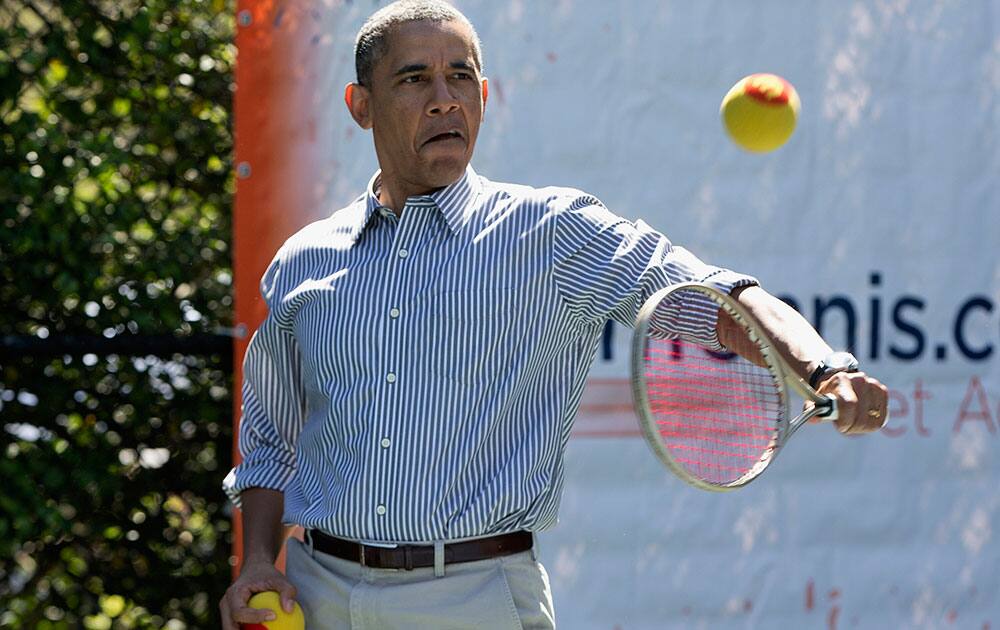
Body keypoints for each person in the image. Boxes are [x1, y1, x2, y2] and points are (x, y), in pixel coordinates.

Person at [219, 1, 889, 628]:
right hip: (319, 593)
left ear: (484, 98)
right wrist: (255, 561)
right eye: (414, 79)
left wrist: (825, 368)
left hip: (478, 598)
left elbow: (716, 298)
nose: (444, 98)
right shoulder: (304, 259)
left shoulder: (553, 233)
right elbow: (272, 443)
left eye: (460, 77)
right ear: (360, 107)